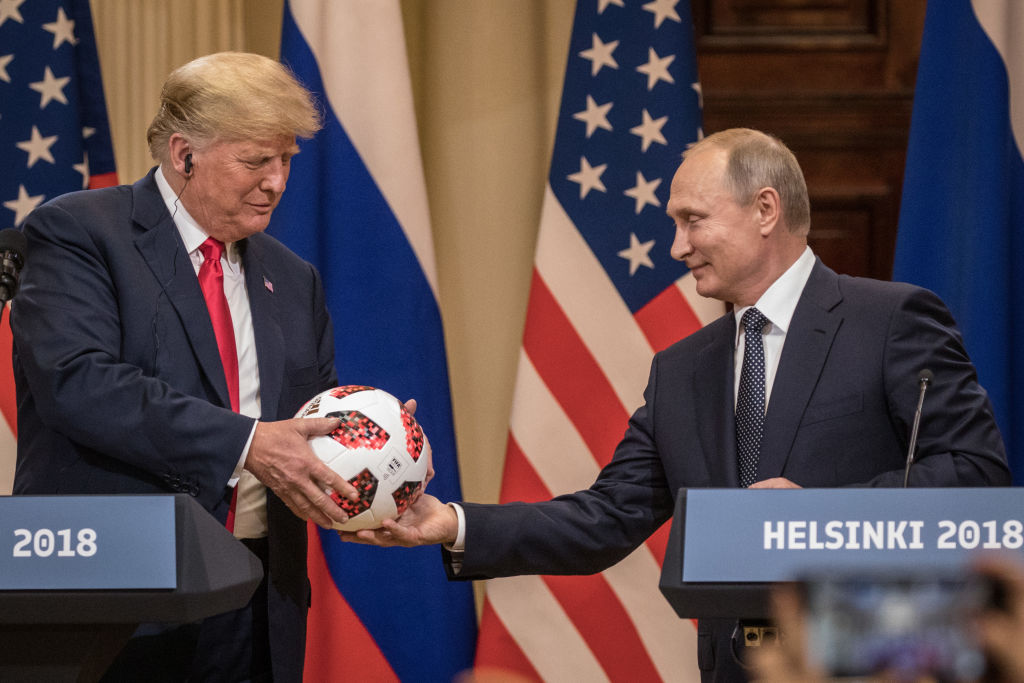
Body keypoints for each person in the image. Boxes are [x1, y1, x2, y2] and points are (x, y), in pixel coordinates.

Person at [341, 128, 1011, 683]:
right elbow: (606, 517)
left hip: (877, 660)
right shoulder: (682, 370)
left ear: (766, 210)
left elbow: (977, 474)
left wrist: (816, 516)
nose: (677, 246)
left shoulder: (890, 321)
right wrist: (451, 523)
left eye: (693, 220)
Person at [12, 52, 360, 682]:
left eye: (286, 160)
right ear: (184, 154)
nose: (277, 182)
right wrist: (248, 444)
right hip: (118, 592)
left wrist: (371, 444)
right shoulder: (80, 232)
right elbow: (80, 383)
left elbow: (308, 418)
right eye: (256, 161)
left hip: (258, 602)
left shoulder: (293, 277)